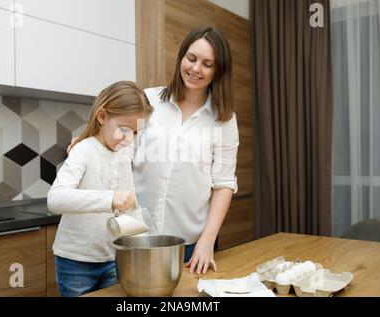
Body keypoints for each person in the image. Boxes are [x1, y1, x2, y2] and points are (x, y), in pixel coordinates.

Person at [69, 26, 238, 275]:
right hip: (134, 235)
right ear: (181, 57)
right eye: (191, 59)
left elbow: (223, 184)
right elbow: (117, 144)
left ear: (218, 70)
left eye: (207, 64)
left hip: (189, 244)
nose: (195, 69)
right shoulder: (149, 101)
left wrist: (207, 240)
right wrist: (87, 143)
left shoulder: (224, 120)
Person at [47, 81, 153, 296]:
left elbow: (130, 205)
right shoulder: (83, 150)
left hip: (112, 258)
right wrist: (110, 199)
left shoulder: (124, 151)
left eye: (135, 132)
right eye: (124, 129)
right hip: (76, 261)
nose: (129, 139)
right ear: (102, 116)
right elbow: (55, 199)